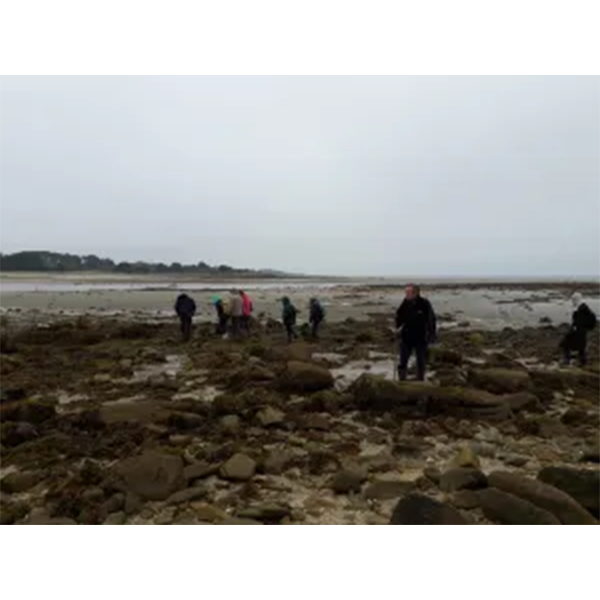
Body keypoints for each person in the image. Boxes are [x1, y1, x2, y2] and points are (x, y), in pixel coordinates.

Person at [394, 284, 437, 381]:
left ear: (415, 293)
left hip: (421, 337)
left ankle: (420, 379)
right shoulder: (405, 303)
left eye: (408, 292)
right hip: (407, 336)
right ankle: (402, 379)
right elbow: (399, 316)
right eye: (406, 292)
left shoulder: (424, 303)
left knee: (421, 360)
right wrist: (397, 327)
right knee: (403, 360)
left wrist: (432, 335)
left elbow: (431, 320)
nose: (406, 294)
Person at [560, 292, 596, 367]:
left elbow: (590, 319)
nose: (572, 301)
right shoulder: (580, 307)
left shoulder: (583, 308)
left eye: (573, 299)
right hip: (578, 331)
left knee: (566, 344)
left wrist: (580, 327)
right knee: (578, 348)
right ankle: (580, 362)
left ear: (576, 299)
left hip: (579, 331)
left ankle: (569, 361)